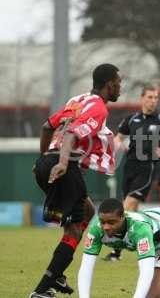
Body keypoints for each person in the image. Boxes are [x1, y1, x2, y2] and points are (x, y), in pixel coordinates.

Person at [29, 64, 121, 298]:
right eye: (118, 82)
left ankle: (57, 273)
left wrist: (43, 160)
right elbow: (72, 134)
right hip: (63, 166)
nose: (120, 87)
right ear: (109, 84)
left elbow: (47, 126)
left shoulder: (77, 100)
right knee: (74, 231)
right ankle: (41, 290)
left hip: (45, 164)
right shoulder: (99, 108)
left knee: (88, 212)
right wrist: (61, 162)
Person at [104, 85, 160, 261]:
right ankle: (142, 244)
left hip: (148, 168)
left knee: (128, 205)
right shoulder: (131, 120)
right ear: (142, 99)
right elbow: (119, 138)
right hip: (130, 167)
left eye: (156, 98)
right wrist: (115, 148)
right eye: (150, 97)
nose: (153, 101)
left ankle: (119, 247)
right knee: (133, 211)